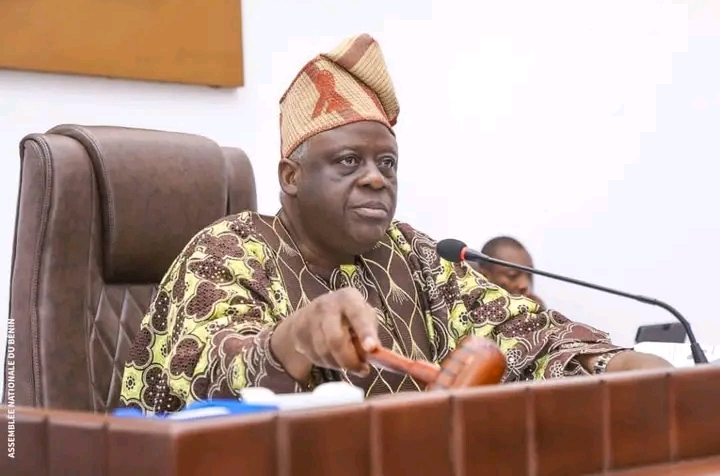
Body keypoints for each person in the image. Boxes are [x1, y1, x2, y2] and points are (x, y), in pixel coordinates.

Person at [119, 33, 671, 414]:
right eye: (348, 162)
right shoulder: (229, 248)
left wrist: (614, 364)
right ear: (291, 176)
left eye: (387, 164)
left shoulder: (412, 254)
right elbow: (205, 377)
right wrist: (294, 337)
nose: (376, 179)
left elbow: (522, 335)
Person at [471, 236, 544, 304]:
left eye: (529, 275)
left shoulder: (536, 308)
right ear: (484, 276)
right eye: (513, 276)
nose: (525, 285)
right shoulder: (470, 308)